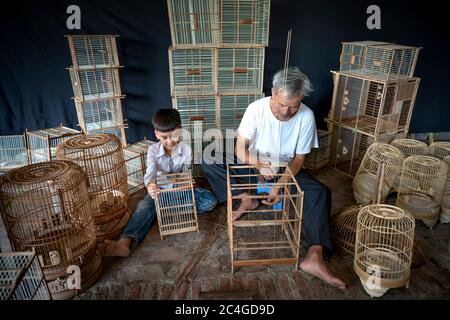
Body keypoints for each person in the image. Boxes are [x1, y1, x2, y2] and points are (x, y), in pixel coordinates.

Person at [202, 67, 346, 290]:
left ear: (301, 100)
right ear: (273, 92)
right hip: (255, 164)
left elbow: (299, 160)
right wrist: (258, 164)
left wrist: (279, 184)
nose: (287, 112)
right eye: (282, 105)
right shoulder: (256, 109)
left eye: (293, 106)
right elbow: (240, 149)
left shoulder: (306, 116)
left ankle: (315, 256)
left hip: (285, 169)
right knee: (210, 160)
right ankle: (247, 198)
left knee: (320, 192)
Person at [100, 108, 217, 257]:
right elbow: (150, 172)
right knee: (143, 207)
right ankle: (124, 243)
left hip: (179, 190)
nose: (170, 141)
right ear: (156, 134)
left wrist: (188, 181)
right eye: (164, 137)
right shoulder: (153, 150)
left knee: (210, 201)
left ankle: (163, 211)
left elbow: (186, 172)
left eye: (173, 136)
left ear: (180, 131)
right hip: (160, 192)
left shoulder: (186, 150)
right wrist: (150, 187)